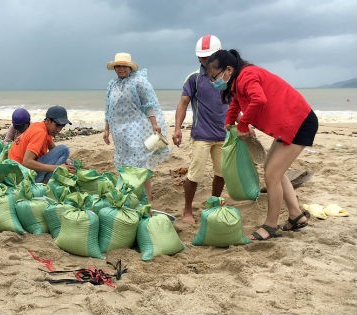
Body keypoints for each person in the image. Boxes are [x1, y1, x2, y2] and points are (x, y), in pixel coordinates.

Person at [206, 49, 318, 241]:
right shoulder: (238, 81)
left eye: (214, 76)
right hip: (289, 123)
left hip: (299, 123)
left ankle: (271, 226)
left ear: (229, 69)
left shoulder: (247, 75)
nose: (214, 81)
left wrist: (242, 124)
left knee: (272, 174)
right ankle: (296, 216)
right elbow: (238, 101)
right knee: (272, 170)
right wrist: (230, 119)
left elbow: (259, 99)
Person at [172, 35, 229, 224]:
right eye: (201, 57)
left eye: (208, 57)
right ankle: (187, 211)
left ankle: (214, 204)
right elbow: (183, 103)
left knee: (221, 173)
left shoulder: (228, 77)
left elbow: (234, 103)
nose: (203, 61)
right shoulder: (195, 78)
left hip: (223, 135)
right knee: (194, 174)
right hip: (201, 136)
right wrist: (178, 128)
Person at [103, 52, 170, 202]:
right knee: (123, 164)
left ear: (129, 67)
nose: (121, 69)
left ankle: (146, 201)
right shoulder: (112, 85)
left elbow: (149, 105)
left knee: (140, 165)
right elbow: (108, 108)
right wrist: (106, 129)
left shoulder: (139, 82)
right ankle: (128, 198)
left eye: (124, 66)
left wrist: (155, 125)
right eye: (118, 66)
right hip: (118, 132)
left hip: (137, 129)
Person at [8, 105, 75, 183]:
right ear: (48, 121)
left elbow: (54, 149)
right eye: (57, 125)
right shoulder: (40, 133)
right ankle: (46, 182)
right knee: (64, 149)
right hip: (23, 178)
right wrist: (58, 168)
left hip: (15, 174)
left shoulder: (40, 126)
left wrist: (67, 163)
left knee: (66, 156)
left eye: (62, 126)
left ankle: (47, 178)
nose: (58, 130)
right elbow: (27, 162)